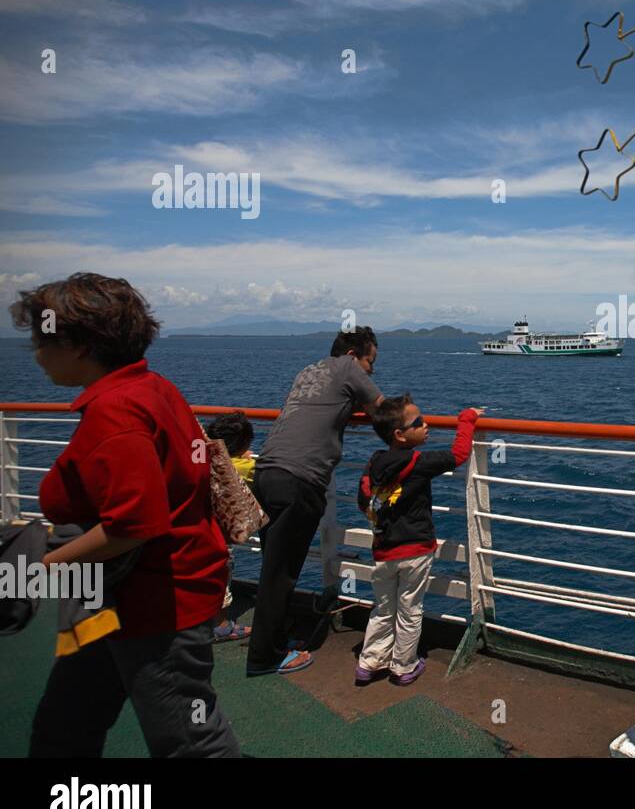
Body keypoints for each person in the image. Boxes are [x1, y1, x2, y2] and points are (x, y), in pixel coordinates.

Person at [11, 273, 239, 757]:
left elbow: (135, 525)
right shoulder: (152, 387)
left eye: (40, 340)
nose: (35, 353)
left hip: (154, 604)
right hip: (113, 596)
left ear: (76, 344)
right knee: (66, 724)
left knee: (192, 742)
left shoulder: (117, 410)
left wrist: (35, 572)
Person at [247, 328, 384, 676]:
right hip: (298, 479)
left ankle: (273, 642)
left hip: (267, 471)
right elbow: (382, 409)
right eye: (370, 362)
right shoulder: (348, 368)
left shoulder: (309, 371)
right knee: (281, 573)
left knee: (274, 567)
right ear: (354, 355)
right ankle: (265, 657)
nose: (370, 371)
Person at [355, 396, 480, 686]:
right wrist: (467, 418)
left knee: (384, 608)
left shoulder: (374, 462)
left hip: (384, 550)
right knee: (410, 609)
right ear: (400, 434)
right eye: (419, 422)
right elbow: (459, 454)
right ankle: (403, 666)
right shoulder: (419, 462)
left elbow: (364, 500)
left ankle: (369, 662)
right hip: (415, 549)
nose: (427, 424)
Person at [205, 410, 256, 643]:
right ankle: (222, 626)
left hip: (197, 530)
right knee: (221, 576)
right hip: (218, 537)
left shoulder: (201, 461)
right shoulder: (244, 467)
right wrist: (248, 458)